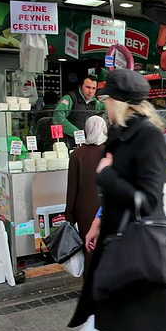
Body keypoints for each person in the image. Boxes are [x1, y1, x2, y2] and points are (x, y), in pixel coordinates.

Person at [69, 69, 166, 331]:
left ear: (120, 101)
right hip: (117, 249)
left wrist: (108, 176)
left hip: (136, 255)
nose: (104, 104)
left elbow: (149, 200)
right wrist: (99, 222)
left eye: (107, 99)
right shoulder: (119, 133)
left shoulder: (149, 138)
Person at [64, 116, 107, 278]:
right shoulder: (110, 152)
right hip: (107, 206)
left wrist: (69, 215)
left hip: (84, 209)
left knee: (88, 247)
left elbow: (72, 187)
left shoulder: (77, 154)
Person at [52, 75, 105, 147]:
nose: (90, 91)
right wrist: (77, 133)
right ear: (80, 86)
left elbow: (103, 107)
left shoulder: (94, 102)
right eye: (88, 87)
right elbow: (57, 116)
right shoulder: (70, 98)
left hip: (87, 144)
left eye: (93, 88)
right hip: (69, 143)